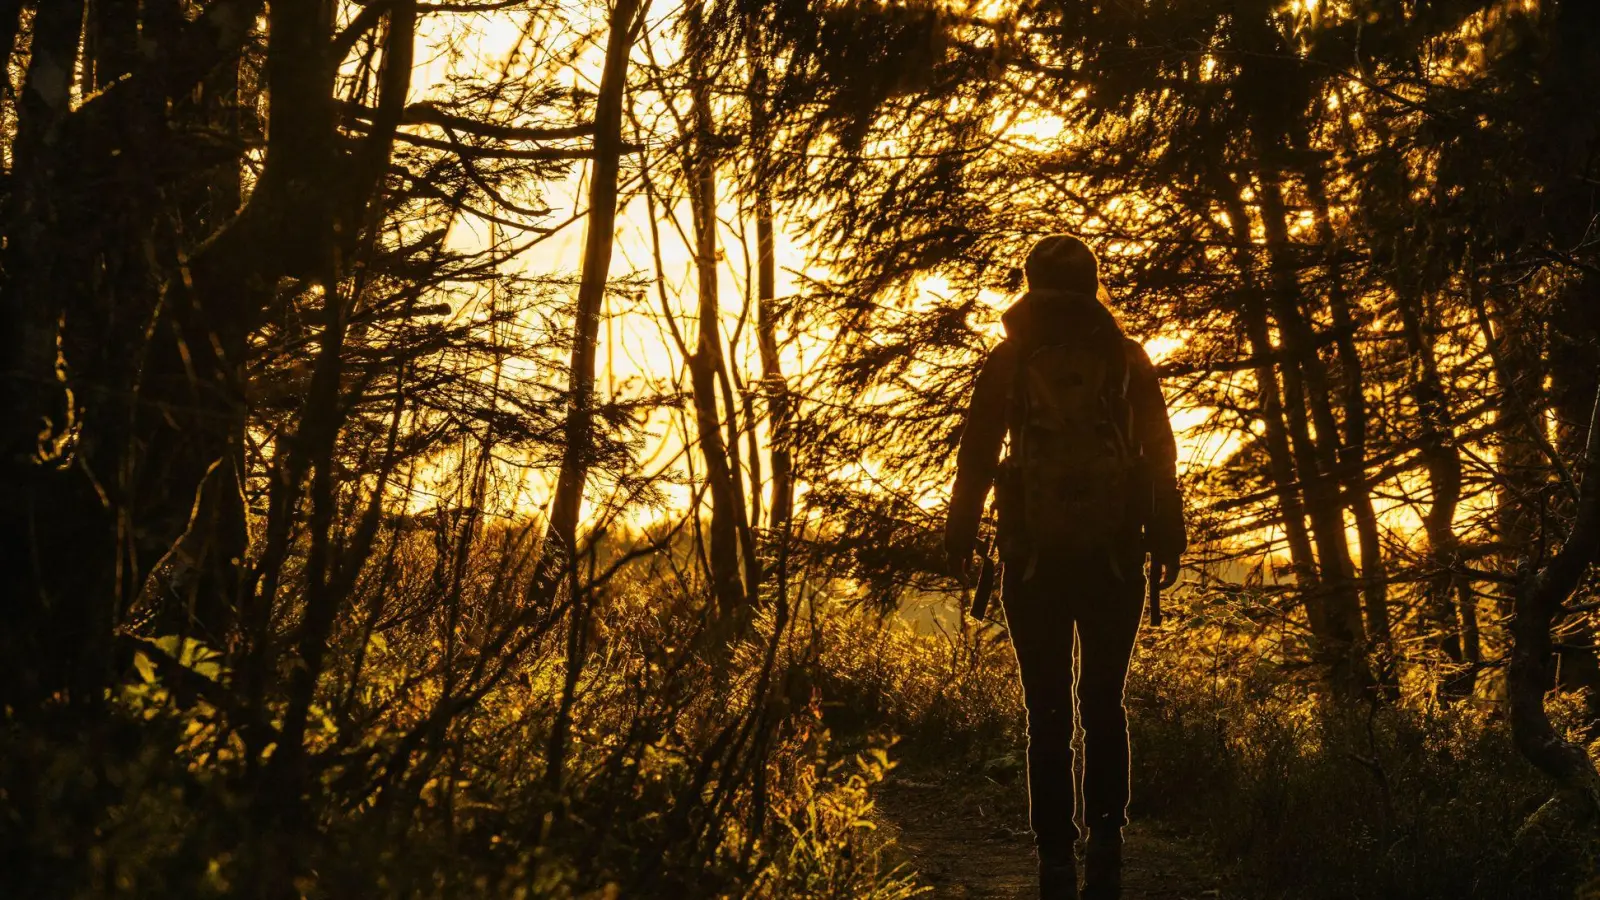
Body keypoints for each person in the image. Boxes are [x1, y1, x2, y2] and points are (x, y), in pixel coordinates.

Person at [944, 234, 1186, 900]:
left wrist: (962, 529)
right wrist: (1168, 535)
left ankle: (1055, 854)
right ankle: (1108, 838)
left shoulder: (1012, 358)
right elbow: (1161, 453)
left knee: (1045, 710)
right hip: (1114, 553)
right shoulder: (1127, 357)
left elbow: (976, 452)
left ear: (1028, 283)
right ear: (1092, 282)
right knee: (1103, 703)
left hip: (1031, 557)